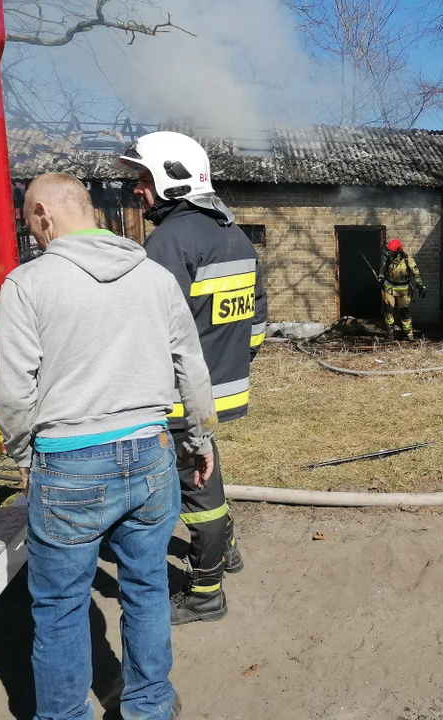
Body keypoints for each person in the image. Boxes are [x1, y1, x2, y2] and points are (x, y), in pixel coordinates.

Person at [0, 172, 217, 720]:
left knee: (62, 606)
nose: (33, 235)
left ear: (43, 213)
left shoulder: (28, 284)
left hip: (69, 464)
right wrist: (202, 438)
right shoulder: (154, 277)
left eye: (29, 223)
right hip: (151, 454)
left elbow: (11, 391)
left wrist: (23, 458)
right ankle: (150, 705)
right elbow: (192, 365)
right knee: (145, 588)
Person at [118, 132, 268, 625]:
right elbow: (258, 322)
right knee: (208, 476)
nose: (137, 189)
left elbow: (148, 325)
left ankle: (205, 593)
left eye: (143, 179)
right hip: (219, 388)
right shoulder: (233, 233)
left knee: (197, 493)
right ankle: (228, 551)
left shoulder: (170, 240)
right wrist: (225, 365)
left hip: (181, 396)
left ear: (173, 177)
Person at [379, 238, 425, 339]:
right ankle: (390, 331)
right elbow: (382, 270)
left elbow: (416, 274)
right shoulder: (387, 259)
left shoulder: (408, 260)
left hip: (404, 289)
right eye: (389, 251)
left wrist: (420, 285)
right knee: (387, 309)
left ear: (398, 251)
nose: (389, 253)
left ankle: (408, 333)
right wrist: (381, 278)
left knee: (405, 311)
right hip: (389, 287)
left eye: (392, 251)